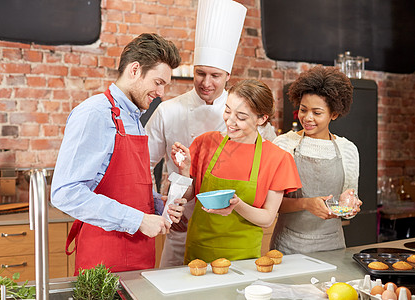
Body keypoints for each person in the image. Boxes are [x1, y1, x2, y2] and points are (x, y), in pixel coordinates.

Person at [146, 0, 276, 267]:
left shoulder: (246, 109)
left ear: (228, 75)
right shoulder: (168, 111)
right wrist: (160, 205)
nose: (206, 83)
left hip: (234, 226)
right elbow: (142, 163)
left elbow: (269, 159)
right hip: (179, 220)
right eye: (200, 73)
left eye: (215, 75)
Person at [51, 33, 185, 274]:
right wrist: (138, 220)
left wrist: (156, 205)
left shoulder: (134, 119)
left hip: (140, 257)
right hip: (104, 262)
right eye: (158, 82)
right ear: (135, 70)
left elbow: (127, 187)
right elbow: (65, 193)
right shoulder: (94, 113)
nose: (162, 92)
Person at [171, 79, 301, 264]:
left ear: (262, 118)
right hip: (199, 252)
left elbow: (267, 218)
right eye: (227, 111)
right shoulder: (205, 143)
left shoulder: (278, 158)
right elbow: (190, 196)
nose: (230, 122)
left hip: (244, 257)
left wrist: (237, 205)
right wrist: (184, 172)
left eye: (241, 117)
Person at [270, 66, 363, 254]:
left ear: (334, 114)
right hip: (288, 246)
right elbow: (270, 205)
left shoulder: (348, 150)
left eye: (317, 112)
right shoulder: (284, 145)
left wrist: (351, 205)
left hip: (333, 246)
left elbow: (348, 200)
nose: (307, 118)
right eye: (303, 110)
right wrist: (306, 203)